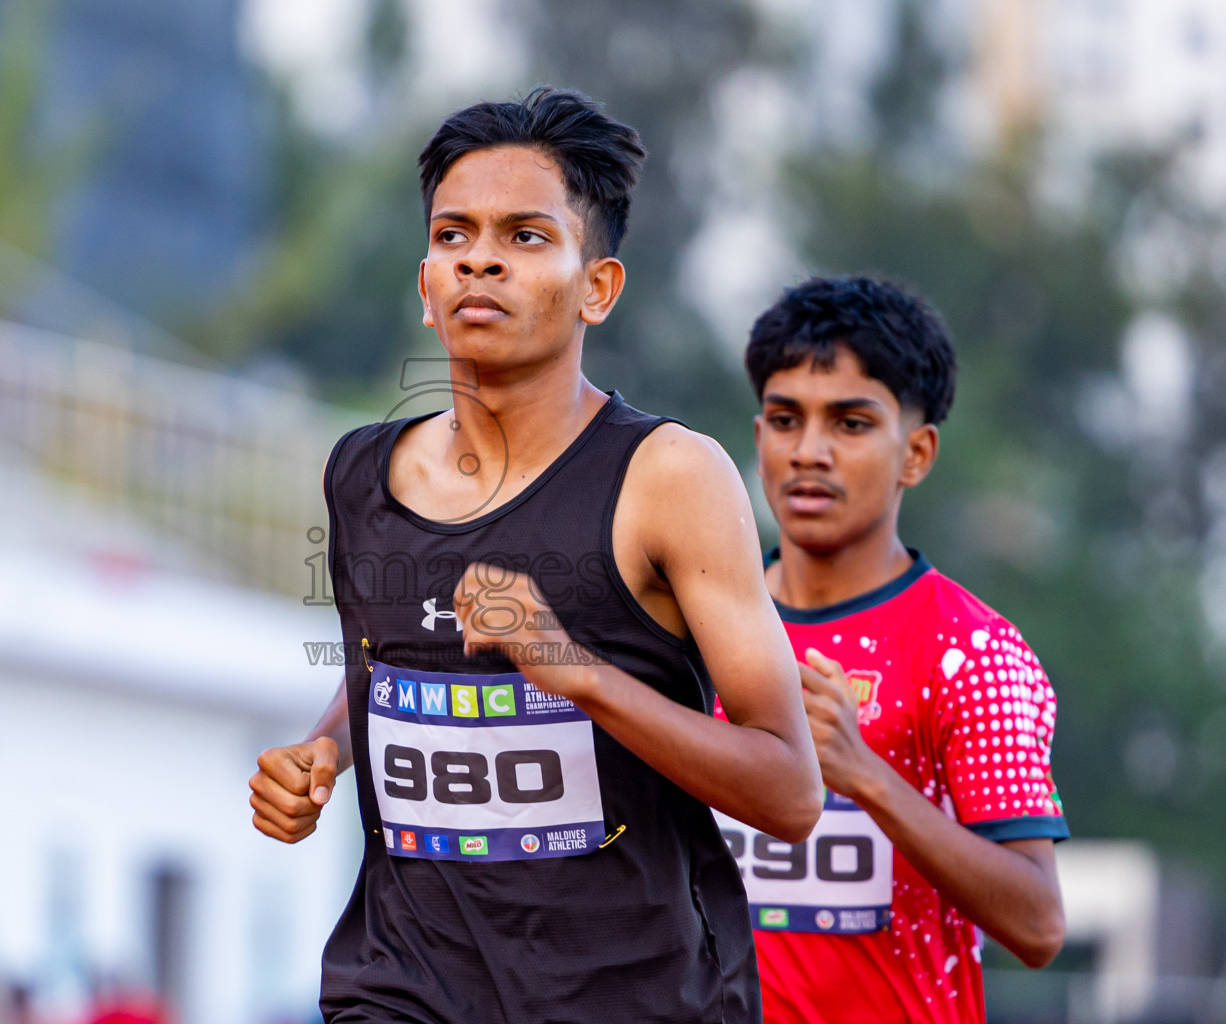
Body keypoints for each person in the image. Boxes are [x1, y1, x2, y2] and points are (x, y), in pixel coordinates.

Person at [248, 86, 822, 1023]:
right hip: (401, 988)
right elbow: (392, 668)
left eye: (524, 236)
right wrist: (319, 756)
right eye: (452, 235)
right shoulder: (358, 473)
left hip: (631, 996)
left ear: (597, 286)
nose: (479, 257)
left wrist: (576, 673)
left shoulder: (670, 477)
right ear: (427, 285)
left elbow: (791, 791)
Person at [717, 276, 1068, 1023]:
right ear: (758, 439)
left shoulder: (973, 652)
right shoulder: (698, 626)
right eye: (786, 419)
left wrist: (865, 775)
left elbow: (1039, 926)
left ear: (916, 452)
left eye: (849, 423)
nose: (808, 451)